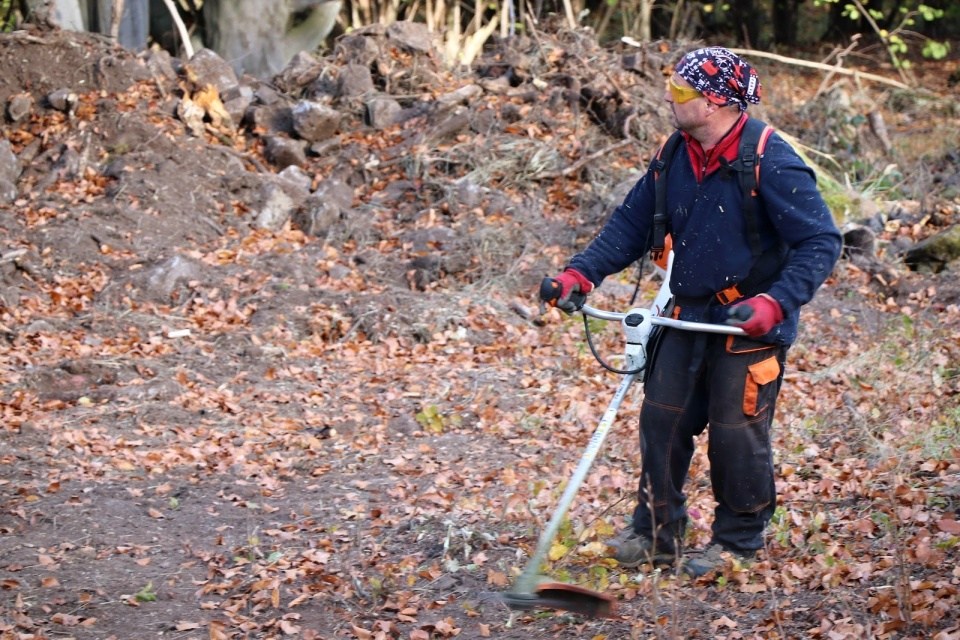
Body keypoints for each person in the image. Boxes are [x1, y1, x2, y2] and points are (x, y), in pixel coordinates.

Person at [539, 47, 842, 577]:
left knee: (735, 433)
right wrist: (579, 274)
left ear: (715, 102)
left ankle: (737, 544)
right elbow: (630, 225)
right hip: (683, 314)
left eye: (680, 89)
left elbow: (821, 241)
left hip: (748, 322)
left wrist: (775, 302)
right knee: (661, 422)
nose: (668, 95)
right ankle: (655, 534)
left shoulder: (770, 159)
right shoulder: (674, 154)